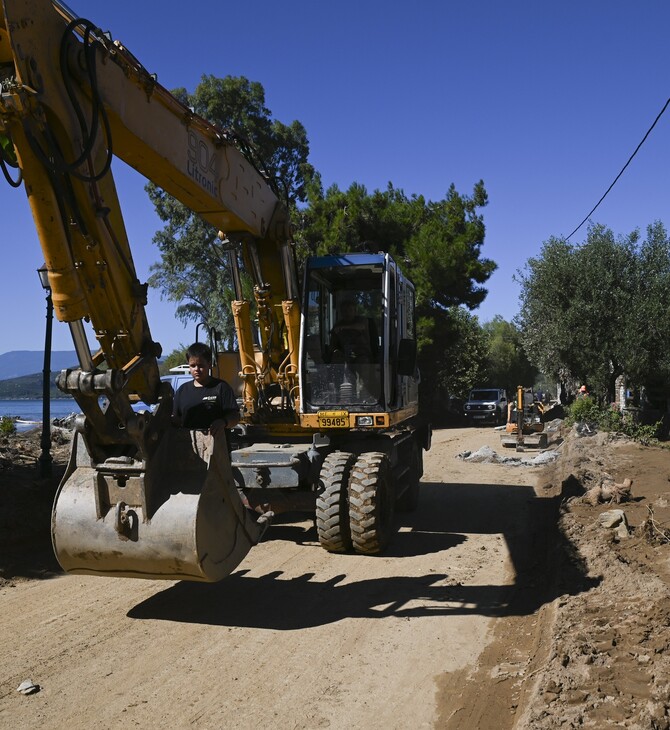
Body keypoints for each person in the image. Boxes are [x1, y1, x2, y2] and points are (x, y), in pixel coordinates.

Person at [172, 342, 240, 436]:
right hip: (188, 446)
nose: (196, 369)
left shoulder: (221, 387)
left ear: (209, 364)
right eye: (192, 366)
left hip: (217, 445)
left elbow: (235, 416)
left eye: (201, 365)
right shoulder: (182, 390)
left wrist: (223, 422)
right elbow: (175, 419)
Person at [329, 298, 379, 364]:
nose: (347, 313)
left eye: (350, 310)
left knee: (362, 362)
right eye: (345, 311)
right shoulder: (337, 326)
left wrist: (344, 327)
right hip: (346, 355)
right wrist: (336, 351)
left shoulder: (362, 320)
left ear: (355, 311)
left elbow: (362, 327)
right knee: (336, 362)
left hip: (363, 354)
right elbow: (333, 345)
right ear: (341, 312)